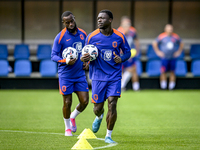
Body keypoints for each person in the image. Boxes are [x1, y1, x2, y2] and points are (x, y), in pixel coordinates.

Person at [81, 10, 131, 143]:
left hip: (114, 76)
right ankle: (99, 116)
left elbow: (128, 53)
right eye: (98, 18)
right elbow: (85, 55)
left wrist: (121, 59)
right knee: (97, 108)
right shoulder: (91, 37)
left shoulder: (119, 36)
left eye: (102, 18)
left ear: (110, 20)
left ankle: (108, 135)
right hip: (97, 76)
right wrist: (85, 61)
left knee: (112, 104)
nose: (99, 20)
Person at [51, 11, 89, 136]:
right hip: (66, 75)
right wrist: (65, 60)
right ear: (64, 23)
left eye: (72, 21)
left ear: (74, 18)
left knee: (85, 101)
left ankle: (73, 116)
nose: (71, 24)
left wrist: (87, 62)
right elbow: (53, 56)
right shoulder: (60, 37)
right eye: (67, 22)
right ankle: (67, 128)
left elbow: (87, 51)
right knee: (67, 102)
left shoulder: (83, 34)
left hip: (79, 74)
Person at [152, 24, 184, 90]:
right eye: (169, 29)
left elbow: (182, 43)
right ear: (165, 29)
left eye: (171, 29)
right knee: (163, 71)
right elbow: (154, 43)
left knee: (172, 72)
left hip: (173, 57)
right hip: (164, 58)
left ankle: (171, 87)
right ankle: (163, 87)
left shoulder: (175, 36)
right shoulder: (161, 36)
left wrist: (178, 52)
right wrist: (158, 52)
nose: (170, 30)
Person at [117, 16, 140, 91]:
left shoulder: (133, 32)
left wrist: (137, 50)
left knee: (133, 69)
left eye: (128, 24)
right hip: (121, 55)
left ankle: (136, 87)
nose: (127, 26)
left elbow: (136, 41)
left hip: (130, 54)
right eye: (125, 25)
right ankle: (122, 86)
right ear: (122, 25)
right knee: (121, 70)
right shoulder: (118, 32)